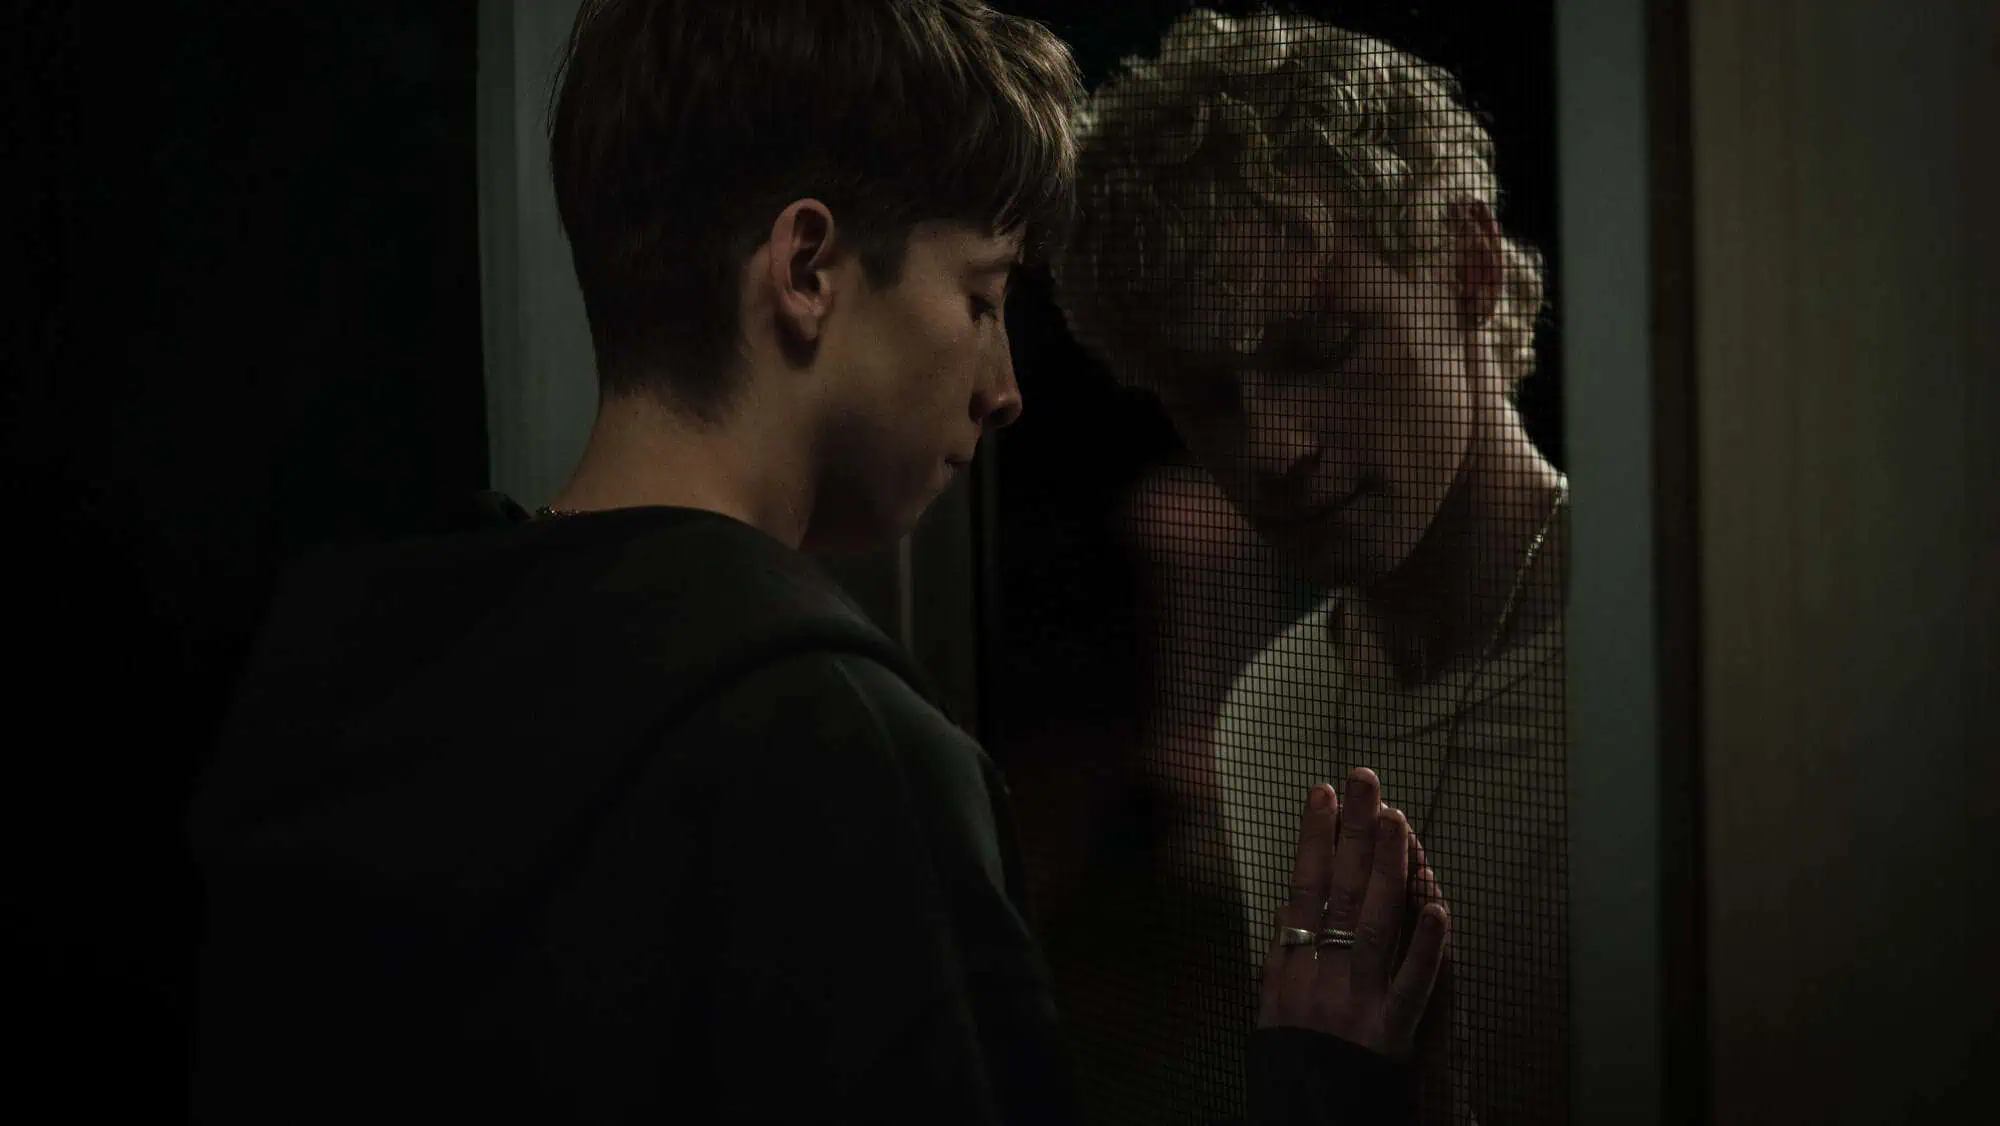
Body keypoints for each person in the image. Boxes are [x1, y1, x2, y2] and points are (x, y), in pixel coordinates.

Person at [183, 2, 1449, 1123]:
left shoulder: (342, 683)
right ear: (805, 270)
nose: (1004, 388)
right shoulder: (840, 754)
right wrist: (1320, 1092)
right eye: (981, 295)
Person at [1052, 9, 1568, 1123]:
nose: (1273, 448)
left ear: (1469, 266)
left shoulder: (1670, 657)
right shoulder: (1265, 721)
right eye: (1210, 397)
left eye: (1322, 347)